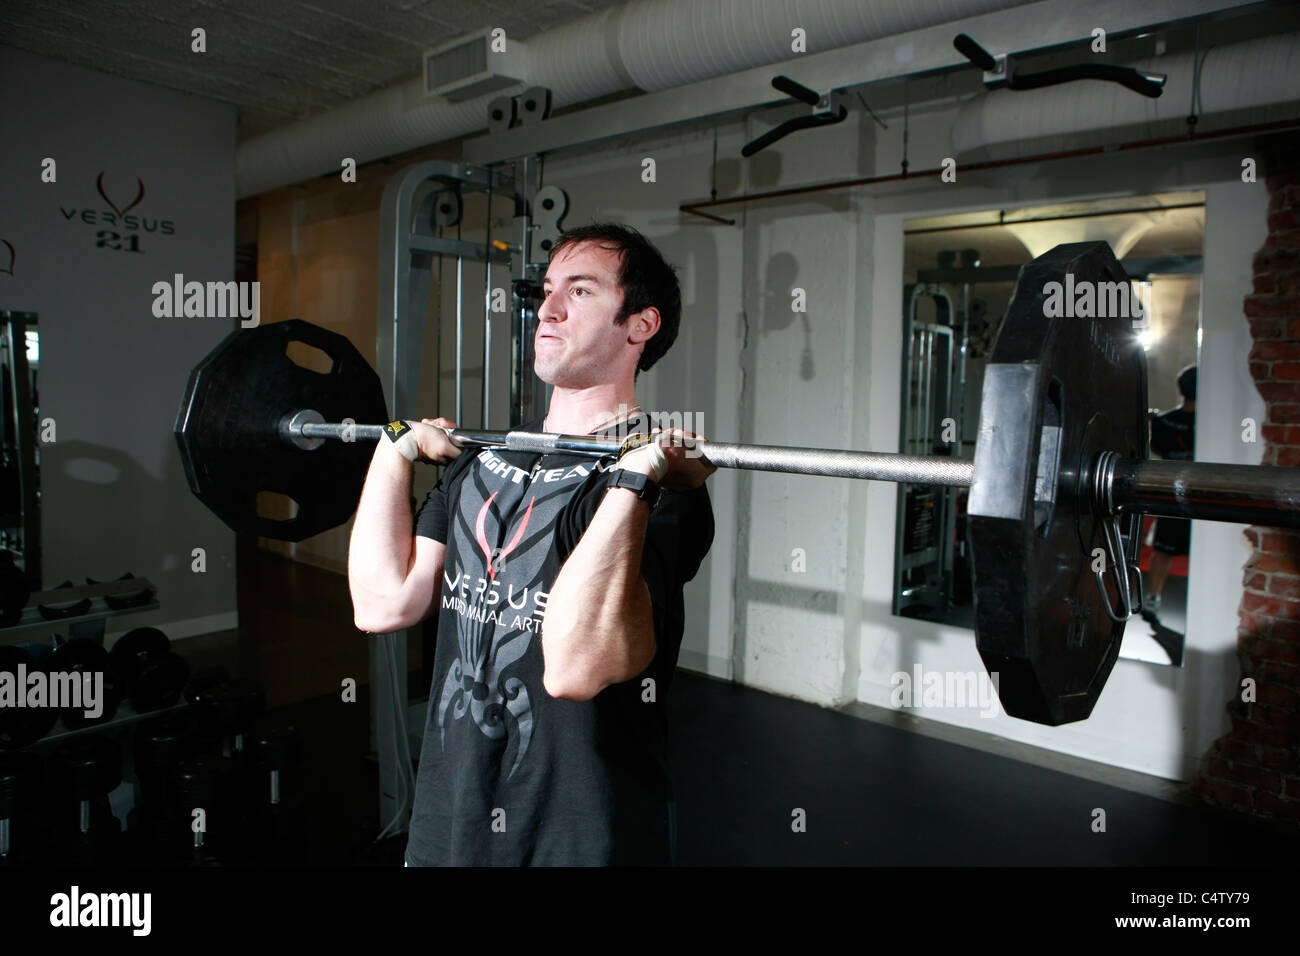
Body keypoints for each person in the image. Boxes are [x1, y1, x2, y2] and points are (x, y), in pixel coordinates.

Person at [348, 223, 715, 865]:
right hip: (451, 819)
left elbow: (575, 671)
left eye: (580, 291)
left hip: (576, 837)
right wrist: (391, 453)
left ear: (640, 324)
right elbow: (383, 605)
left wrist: (635, 478)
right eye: (547, 291)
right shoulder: (484, 458)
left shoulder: (665, 490)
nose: (547, 310)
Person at [1142, 364, 1196, 620]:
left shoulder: (1164, 421)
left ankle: (1153, 598)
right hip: (1196, 495)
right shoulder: (1209, 425)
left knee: (1163, 551)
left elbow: (1157, 449)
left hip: (1173, 494)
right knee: (1167, 550)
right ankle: (1154, 599)